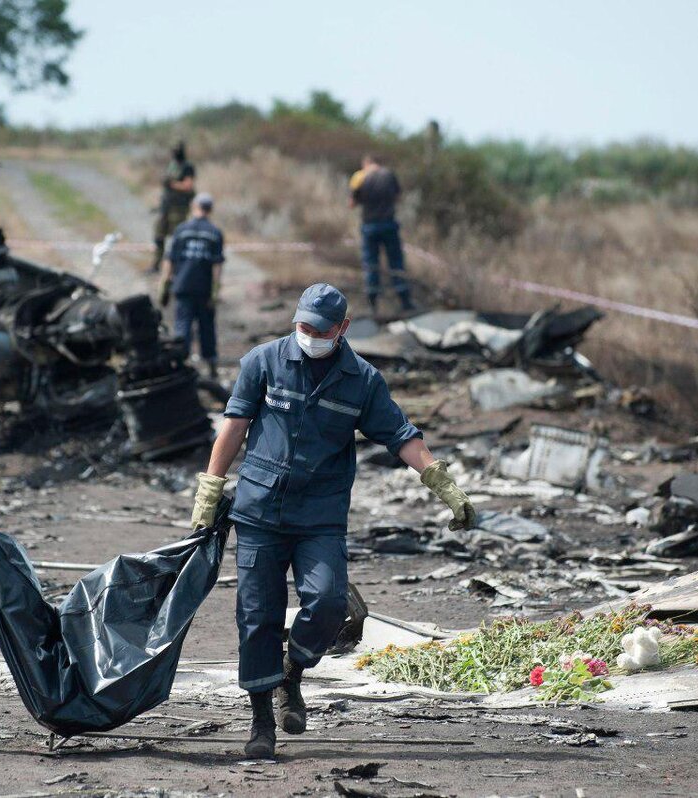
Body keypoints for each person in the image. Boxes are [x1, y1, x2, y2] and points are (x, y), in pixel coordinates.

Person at [189, 283, 474, 760]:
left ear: (342, 329)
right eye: (302, 326)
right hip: (259, 510)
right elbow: (234, 426)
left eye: (320, 329)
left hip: (320, 516)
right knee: (256, 615)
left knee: (326, 603)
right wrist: (210, 490)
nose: (309, 335)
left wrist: (442, 484)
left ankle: (292, 674)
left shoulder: (362, 380)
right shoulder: (263, 361)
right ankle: (261, 722)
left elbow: (400, 435)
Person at [158, 193, 225, 378]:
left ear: (193, 206)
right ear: (210, 209)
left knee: (182, 327)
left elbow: (169, 260)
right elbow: (216, 265)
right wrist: (215, 291)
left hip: (182, 287)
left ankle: (180, 365)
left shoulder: (181, 230)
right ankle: (211, 367)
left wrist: (163, 286)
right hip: (204, 289)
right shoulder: (214, 232)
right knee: (207, 328)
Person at [350, 154, 414, 313]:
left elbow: (352, 203)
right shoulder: (389, 175)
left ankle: (373, 305)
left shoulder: (360, 177)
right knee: (396, 262)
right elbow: (398, 197)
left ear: (366, 163)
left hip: (369, 226)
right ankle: (405, 302)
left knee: (371, 264)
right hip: (388, 224)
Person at [149, 140, 196, 273]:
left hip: (179, 208)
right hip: (166, 206)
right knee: (159, 235)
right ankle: (156, 264)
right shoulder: (172, 165)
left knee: (178, 236)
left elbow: (188, 186)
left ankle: (179, 266)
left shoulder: (187, 167)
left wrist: (172, 184)